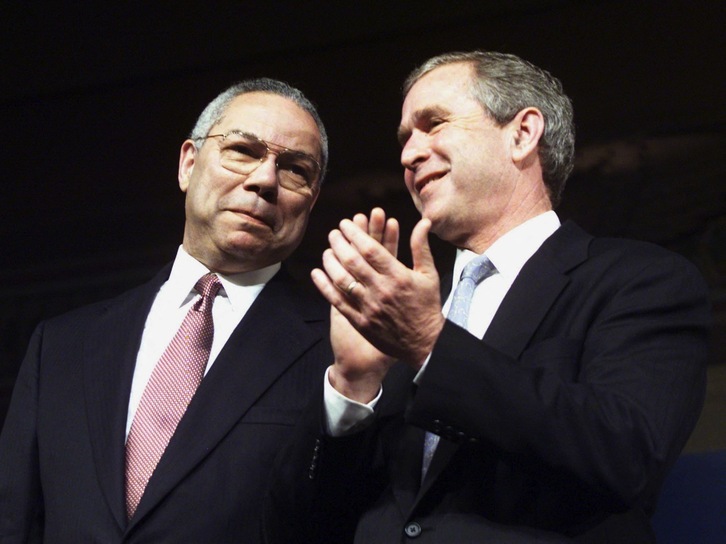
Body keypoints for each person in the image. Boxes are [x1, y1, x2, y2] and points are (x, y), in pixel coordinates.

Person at [263, 51, 712, 543]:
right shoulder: (400, 312)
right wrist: (353, 386)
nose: (409, 154)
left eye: (433, 124)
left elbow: (627, 456)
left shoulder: (639, 281)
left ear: (522, 134)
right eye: (405, 139)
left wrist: (432, 347)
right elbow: (309, 522)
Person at [0, 78, 333, 542]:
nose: (264, 180)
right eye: (242, 150)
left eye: (296, 168)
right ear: (188, 164)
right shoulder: (61, 345)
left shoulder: (340, 351)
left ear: (312, 202)